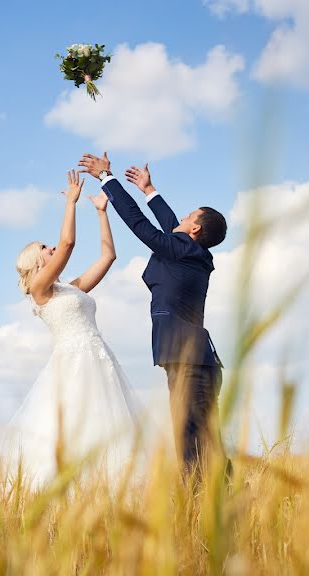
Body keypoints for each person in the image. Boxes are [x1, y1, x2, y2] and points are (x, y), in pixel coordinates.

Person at [78, 152, 229, 481]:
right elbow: (171, 226)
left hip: (191, 363)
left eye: (189, 215)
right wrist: (149, 190)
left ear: (195, 228)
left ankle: (206, 508)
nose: (182, 217)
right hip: (190, 361)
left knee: (193, 443)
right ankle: (221, 505)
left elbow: (140, 225)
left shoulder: (185, 251)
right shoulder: (189, 251)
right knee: (201, 440)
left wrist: (107, 179)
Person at [2, 170, 144, 488]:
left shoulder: (71, 288)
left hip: (99, 358)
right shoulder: (40, 288)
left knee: (106, 429)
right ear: (34, 260)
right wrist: (70, 202)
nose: (51, 248)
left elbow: (109, 256)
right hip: (73, 364)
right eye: (44, 247)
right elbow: (68, 243)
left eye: (49, 245)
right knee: (76, 429)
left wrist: (101, 212)